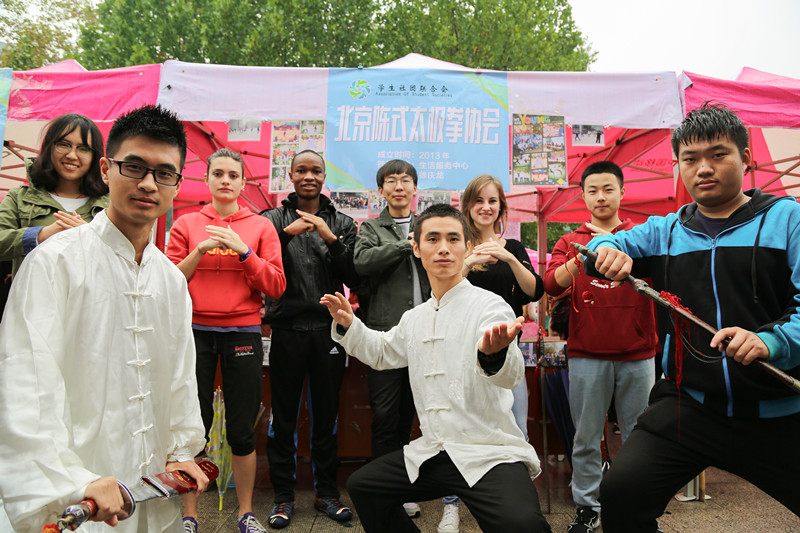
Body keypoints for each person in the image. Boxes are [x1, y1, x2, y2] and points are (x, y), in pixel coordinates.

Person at [585, 103, 800, 531]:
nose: (703, 168)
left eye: (718, 155)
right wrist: (605, 251)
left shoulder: (787, 219)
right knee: (622, 495)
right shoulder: (666, 230)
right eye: (690, 159)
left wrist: (770, 341)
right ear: (679, 166)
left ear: (745, 157)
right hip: (690, 406)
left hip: (779, 409)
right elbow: (600, 247)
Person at [0, 104, 208, 533]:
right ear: (106, 169)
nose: (148, 183)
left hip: (149, 491)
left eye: (164, 173)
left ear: (177, 184)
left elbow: (180, 380)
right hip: (81, 494)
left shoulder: (171, 281)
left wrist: (180, 451)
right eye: (134, 166)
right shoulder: (55, 262)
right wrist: (72, 481)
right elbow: (26, 383)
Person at [321, 204, 551, 533]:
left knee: (524, 524)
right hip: (436, 450)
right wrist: (350, 325)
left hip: (489, 451)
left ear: (467, 248)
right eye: (433, 239)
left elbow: (511, 375)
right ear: (416, 248)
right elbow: (383, 352)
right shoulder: (415, 317)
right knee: (364, 486)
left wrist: (493, 355)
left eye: (453, 239)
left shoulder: (489, 306)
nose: (443, 248)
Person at [166, 149, 286, 533]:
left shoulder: (260, 226)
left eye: (233, 175)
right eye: (217, 173)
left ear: (242, 182)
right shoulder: (186, 223)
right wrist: (200, 250)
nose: (225, 180)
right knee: (191, 427)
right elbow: (169, 282)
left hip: (243, 331)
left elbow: (276, 285)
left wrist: (244, 251)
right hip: (194, 331)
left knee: (241, 429)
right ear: (206, 179)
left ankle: (245, 513)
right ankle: (189, 517)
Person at [542, 161, 657, 533]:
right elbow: (551, 284)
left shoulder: (641, 235)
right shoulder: (569, 241)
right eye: (592, 190)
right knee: (586, 437)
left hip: (638, 352)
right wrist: (585, 252)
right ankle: (587, 508)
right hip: (587, 353)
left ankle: (638, 511)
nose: (601, 197)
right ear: (583, 196)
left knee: (640, 438)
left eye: (608, 189)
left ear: (622, 192)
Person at [428, 174, 544, 532]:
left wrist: (509, 257)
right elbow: (440, 291)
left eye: (492, 201)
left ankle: (520, 505)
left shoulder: (513, 247)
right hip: (460, 357)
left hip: (507, 357)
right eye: (478, 200)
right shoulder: (457, 245)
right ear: (468, 206)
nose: (485, 207)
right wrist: (467, 261)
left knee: (517, 430)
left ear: (501, 207)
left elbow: (534, 291)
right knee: (456, 433)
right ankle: (451, 506)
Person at [260, 149, 359, 529]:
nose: (308, 176)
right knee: (283, 420)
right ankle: (283, 497)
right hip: (286, 330)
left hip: (327, 332)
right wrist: (287, 234)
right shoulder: (271, 219)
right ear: (290, 175)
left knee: (327, 418)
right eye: (301, 170)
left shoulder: (342, 222)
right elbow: (259, 261)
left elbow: (353, 274)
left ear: (323, 176)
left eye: (315, 170)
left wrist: (329, 236)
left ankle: (327, 494)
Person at [353, 159, 431, 520]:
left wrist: (422, 239)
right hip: (386, 335)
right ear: (381, 190)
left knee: (410, 416)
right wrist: (404, 245)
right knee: (385, 416)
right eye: (391, 181)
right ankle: (383, 493)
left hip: (426, 336)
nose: (398, 187)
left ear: (415, 188)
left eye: (405, 181)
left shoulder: (429, 226)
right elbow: (362, 262)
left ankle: (401, 488)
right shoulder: (371, 227)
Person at [0, 113, 109, 278]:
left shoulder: (112, 204)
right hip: (32, 294)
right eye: (64, 145)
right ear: (49, 147)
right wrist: (41, 235)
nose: (71, 155)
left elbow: (130, 255)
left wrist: (90, 236)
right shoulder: (19, 197)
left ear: (95, 156)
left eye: (83, 148)